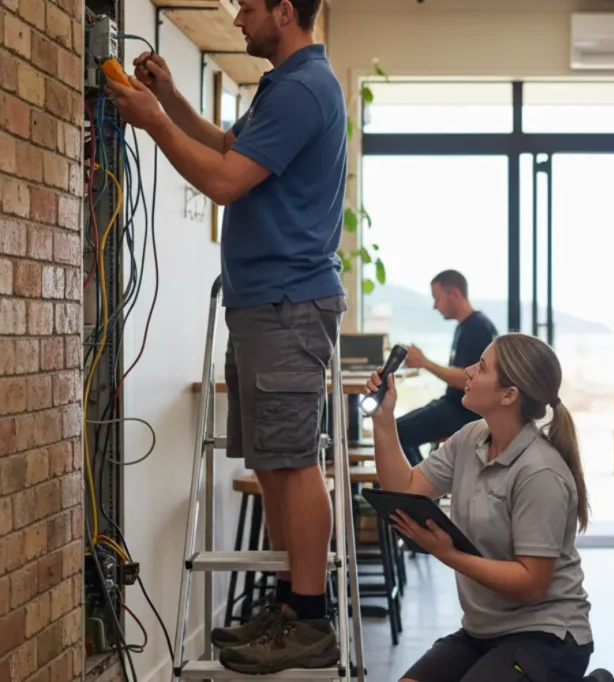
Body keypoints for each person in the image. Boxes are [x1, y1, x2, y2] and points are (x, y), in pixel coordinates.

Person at [106, 0, 346, 673]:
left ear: (284, 11)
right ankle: (289, 607)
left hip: (286, 302)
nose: (239, 19)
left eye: (249, 7)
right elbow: (227, 148)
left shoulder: (302, 89)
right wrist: (170, 99)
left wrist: (154, 123)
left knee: (292, 460)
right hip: (263, 302)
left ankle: (311, 618)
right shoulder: (284, 86)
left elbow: (222, 181)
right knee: (272, 460)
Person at [365, 333, 614, 682]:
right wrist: (383, 418)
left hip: (547, 636)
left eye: (481, 367)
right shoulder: (471, 438)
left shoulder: (540, 472)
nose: (468, 371)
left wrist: (448, 554)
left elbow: (531, 584)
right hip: (481, 632)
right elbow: (404, 488)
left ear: (509, 395)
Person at [397, 270, 498, 466]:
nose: (435, 306)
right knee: (395, 430)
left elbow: (465, 379)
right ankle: (420, 481)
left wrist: (425, 362)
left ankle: (419, 484)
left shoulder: (477, 328)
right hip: (453, 404)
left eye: (437, 299)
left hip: (465, 411)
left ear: (455, 294)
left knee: (397, 433)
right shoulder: (465, 326)